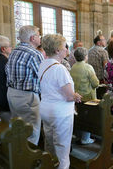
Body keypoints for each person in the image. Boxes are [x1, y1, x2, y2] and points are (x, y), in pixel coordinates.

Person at [38, 34, 82, 169]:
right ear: (57, 50)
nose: (67, 51)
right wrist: (77, 96)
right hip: (60, 112)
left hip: (46, 109)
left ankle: (50, 165)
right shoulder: (60, 68)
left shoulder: (43, 63)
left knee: (50, 142)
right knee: (63, 146)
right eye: (64, 48)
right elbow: (69, 96)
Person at [6, 25, 44, 145]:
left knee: (19, 128)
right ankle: (28, 161)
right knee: (31, 131)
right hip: (27, 97)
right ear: (33, 38)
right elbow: (43, 77)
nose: (40, 38)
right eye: (39, 35)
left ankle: (18, 157)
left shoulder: (14, 51)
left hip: (12, 93)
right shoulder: (34, 54)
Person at [70, 47, 99, 145]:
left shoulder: (73, 67)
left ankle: (79, 136)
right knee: (88, 119)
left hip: (77, 96)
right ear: (86, 56)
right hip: (87, 97)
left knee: (80, 117)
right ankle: (85, 138)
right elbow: (95, 83)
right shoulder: (88, 67)